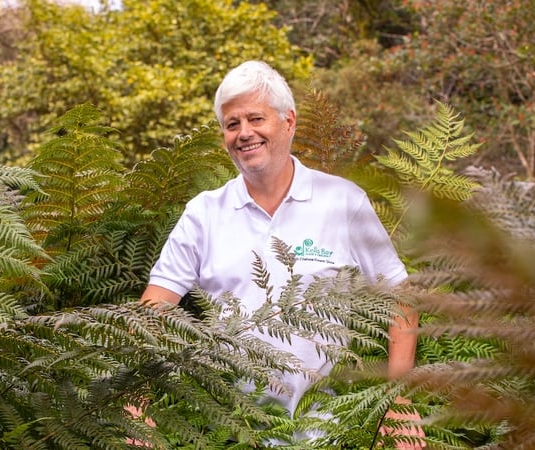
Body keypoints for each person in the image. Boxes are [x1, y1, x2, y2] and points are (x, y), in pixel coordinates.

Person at [139, 60, 422, 447]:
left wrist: (397, 399)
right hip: (227, 428)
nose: (244, 133)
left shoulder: (343, 202)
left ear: (289, 122)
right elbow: (154, 308)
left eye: (256, 118)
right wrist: (135, 400)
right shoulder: (203, 213)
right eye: (232, 124)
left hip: (329, 429)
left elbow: (400, 296)